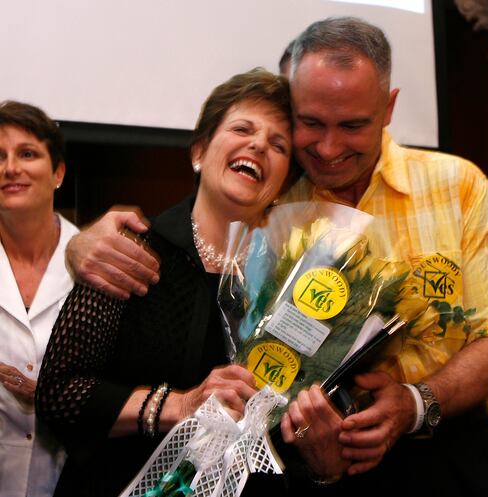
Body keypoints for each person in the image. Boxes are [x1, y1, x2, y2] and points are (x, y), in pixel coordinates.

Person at [63, 18, 488, 497]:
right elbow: (203, 217)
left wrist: (415, 403)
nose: (329, 148)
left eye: (352, 125)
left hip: (453, 454)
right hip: (312, 470)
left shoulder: (455, 185)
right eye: (310, 124)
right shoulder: (273, 204)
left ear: (388, 107)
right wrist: (81, 240)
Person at [35, 68, 294, 497]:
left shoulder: (291, 284)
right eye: (243, 128)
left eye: (278, 144)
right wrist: (179, 404)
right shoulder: (130, 250)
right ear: (199, 151)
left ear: (283, 182)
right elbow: (59, 394)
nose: (259, 144)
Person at [0, 101, 79, 497]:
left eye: (27, 154)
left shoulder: (95, 266)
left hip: (66, 478)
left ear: (58, 172)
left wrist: (50, 395)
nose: (10, 167)